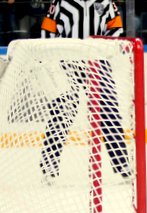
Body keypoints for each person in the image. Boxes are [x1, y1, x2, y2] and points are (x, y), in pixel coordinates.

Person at [39, 0, 131, 183]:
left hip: (97, 61)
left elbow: (116, 29)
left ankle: (123, 165)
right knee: (61, 111)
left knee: (109, 111)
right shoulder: (61, 2)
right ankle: (49, 166)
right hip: (67, 61)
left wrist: (104, 50)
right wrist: (51, 58)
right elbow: (47, 31)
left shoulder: (105, 2)